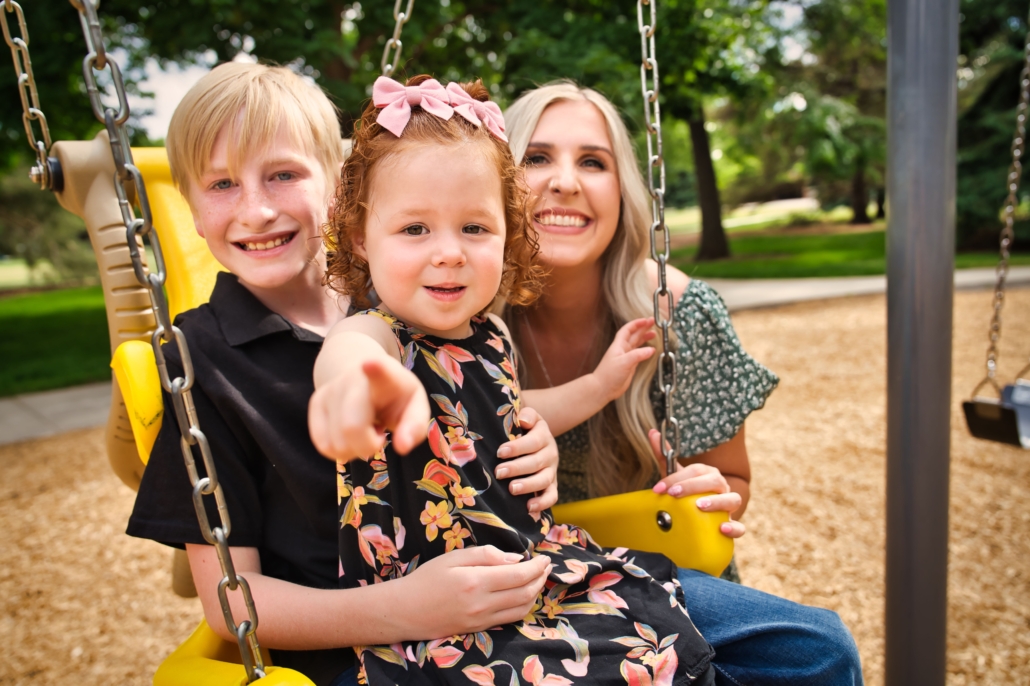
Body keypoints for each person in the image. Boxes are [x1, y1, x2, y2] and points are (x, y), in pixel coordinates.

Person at [126, 62, 564, 686]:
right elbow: (231, 602)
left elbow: (477, 407)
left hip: (505, 601)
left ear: (336, 191)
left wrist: (530, 438)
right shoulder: (199, 358)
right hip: (365, 654)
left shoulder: (404, 290)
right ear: (192, 212)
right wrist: (406, 610)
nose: (255, 210)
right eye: (221, 185)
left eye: (282, 175)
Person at [309, 74, 716, 685]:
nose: (449, 252)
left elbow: (522, 410)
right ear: (362, 236)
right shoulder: (378, 334)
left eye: (474, 228)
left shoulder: (491, 335)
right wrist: (357, 388)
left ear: (509, 234)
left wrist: (604, 385)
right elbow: (344, 359)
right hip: (438, 604)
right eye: (415, 229)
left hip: (531, 566)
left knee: (657, 647)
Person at [501, 81, 865, 686]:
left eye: (593, 162)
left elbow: (734, 481)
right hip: (515, 577)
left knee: (820, 653)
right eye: (536, 157)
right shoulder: (452, 312)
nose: (566, 180)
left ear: (622, 192)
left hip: (651, 572)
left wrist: (713, 492)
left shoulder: (681, 314)